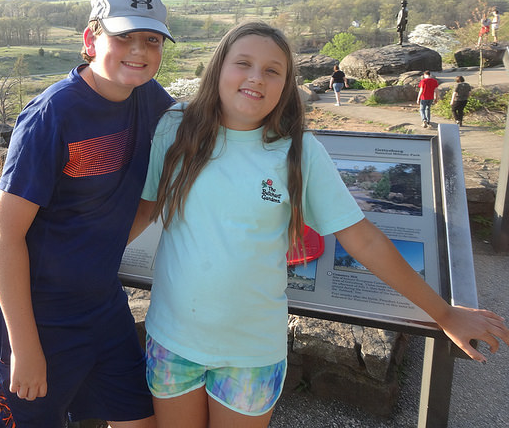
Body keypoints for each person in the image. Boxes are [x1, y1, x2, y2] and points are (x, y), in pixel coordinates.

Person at [130, 22, 509, 428]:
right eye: (243, 63)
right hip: (174, 339)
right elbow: (143, 211)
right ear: (219, 67)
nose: (256, 77)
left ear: (285, 84)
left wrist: (444, 314)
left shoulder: (298, 151)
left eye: (273, 70)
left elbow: (362, 238)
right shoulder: (175, 126)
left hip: (251, 351)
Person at [0, 0, 175, 427]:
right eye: (123, 36)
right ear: (91, 39)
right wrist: (25, 346)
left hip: (100, 302)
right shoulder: (53, 115)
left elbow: (194, 142)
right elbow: (3, 234)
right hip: (34, 309)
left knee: (138, 417)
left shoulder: (151, 100)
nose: (139, 51)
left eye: (151, 39)